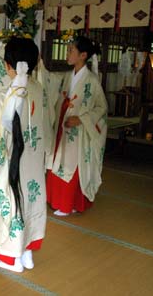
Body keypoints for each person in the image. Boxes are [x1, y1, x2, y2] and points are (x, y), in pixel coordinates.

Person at [0, 37, 49, 273]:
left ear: (8, 65)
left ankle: (11, 257)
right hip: (33, 160)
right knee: (29, 196)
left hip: (11, 163)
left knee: (11, 199)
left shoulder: (2, 98)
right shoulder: (39, 90)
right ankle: (26, 252)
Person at [45, 36, 108, 216]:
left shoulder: (92, 81)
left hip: (78, 132)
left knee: (72, 165)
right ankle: (59, 201)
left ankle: (68, 204)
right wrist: (40, 68)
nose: (68, 53)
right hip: (63, 129)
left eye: (71, 50)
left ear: (83, 55)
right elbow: (50, 81)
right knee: (58, 161)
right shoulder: (67, 76)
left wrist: (81, 119)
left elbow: (102, 108)